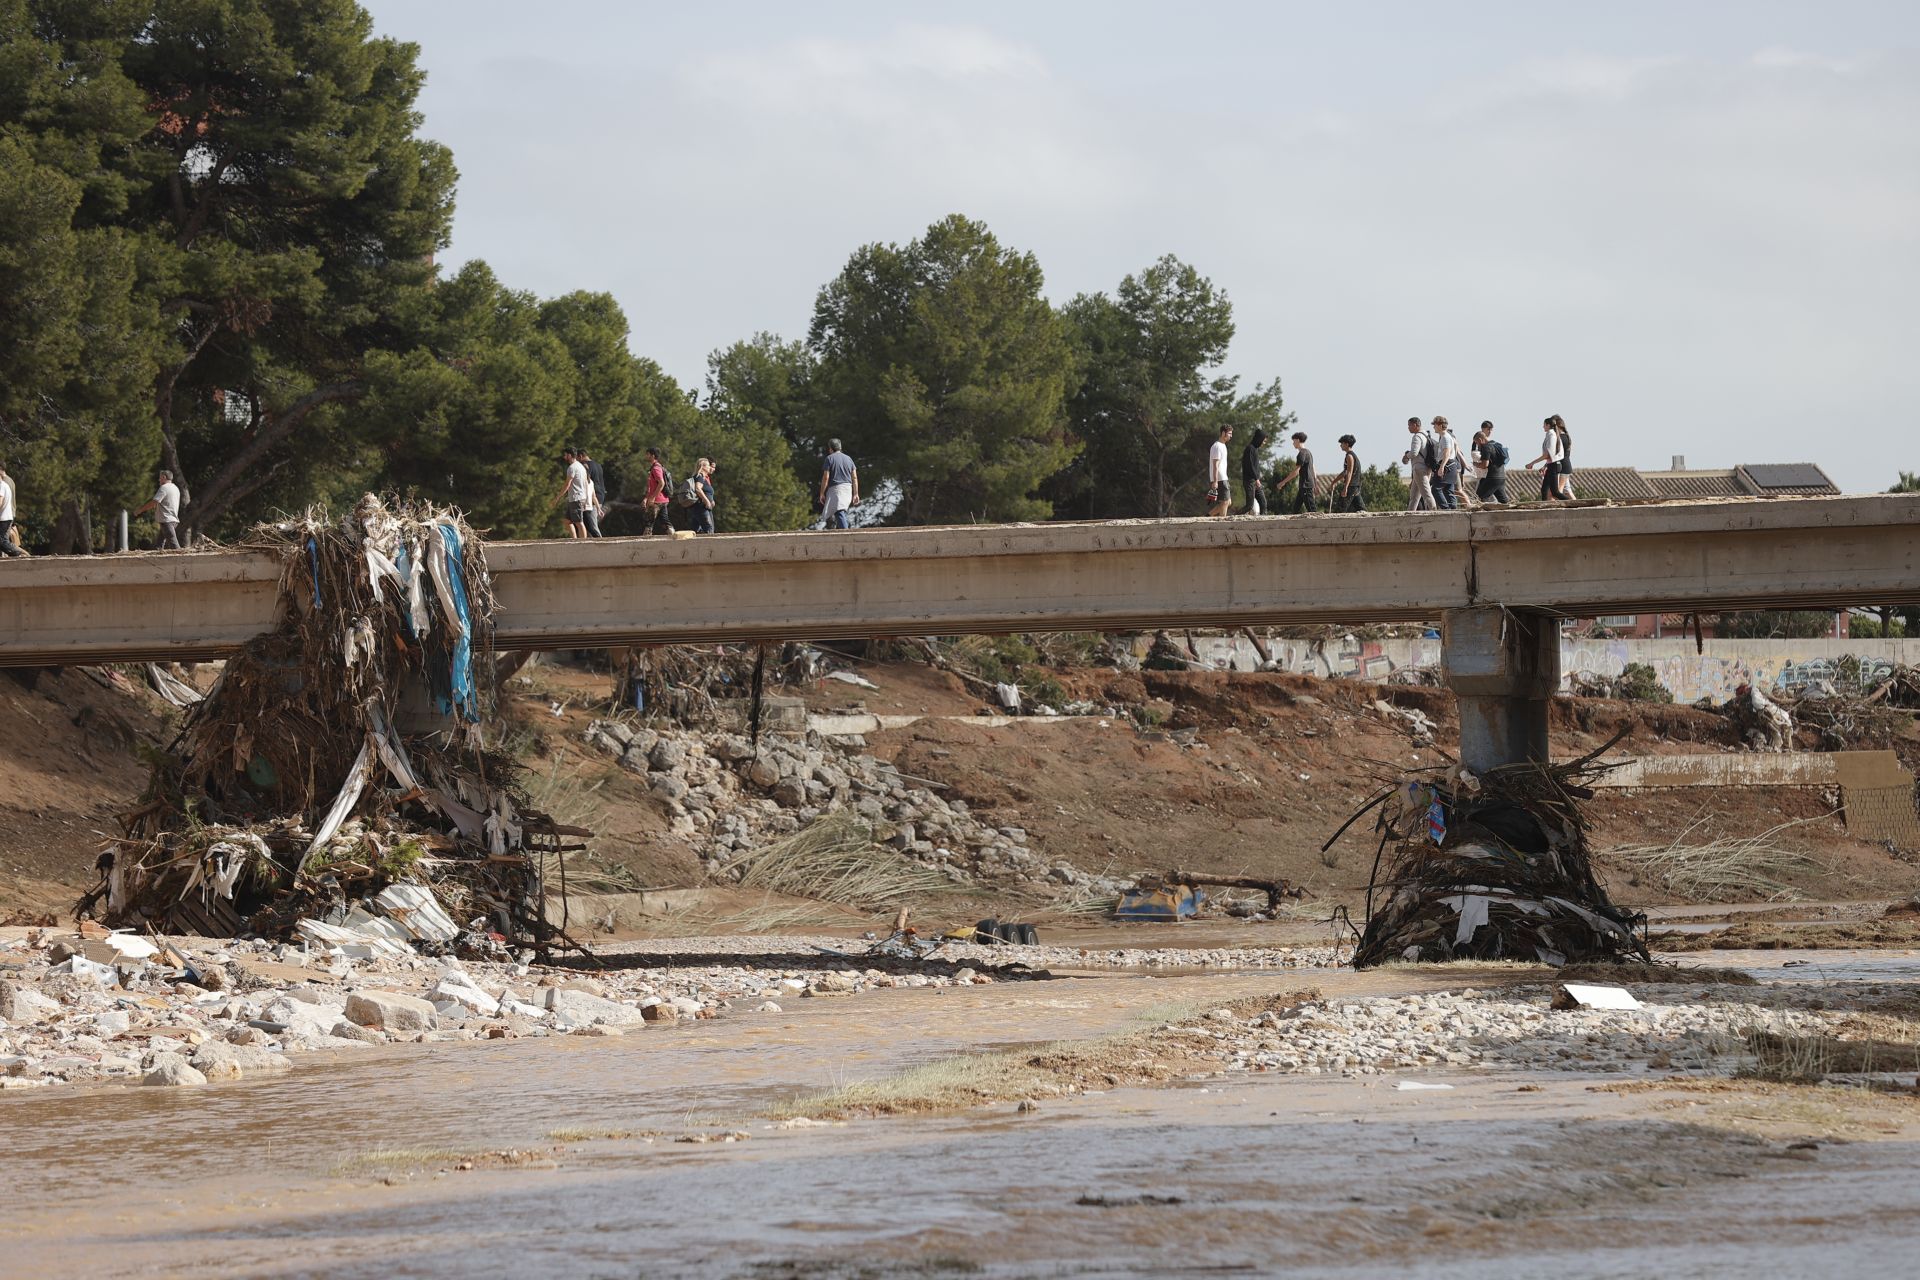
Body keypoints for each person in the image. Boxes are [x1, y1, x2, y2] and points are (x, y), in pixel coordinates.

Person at [133, 469, 185, 548]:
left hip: (166, 520)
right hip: (172, 520)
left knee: (174, 546)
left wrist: (140, 510)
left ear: (164, 477)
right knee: (159, 545)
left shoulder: (164, 488)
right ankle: (157, 559)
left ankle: (183, 560)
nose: (159, 480)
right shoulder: (175, 488)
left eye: (160, 478)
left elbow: (154, 502)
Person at [549, 447, 593, 538]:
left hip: (576, 498)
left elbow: (567, 484)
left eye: (565, 455)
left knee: (579, 522)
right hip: (577, 498)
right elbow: (585, 483)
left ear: (569, 455)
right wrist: (586, 498)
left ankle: (583, 543)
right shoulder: (581, 466)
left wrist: (557, 498)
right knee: (567, 521)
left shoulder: (572, 468)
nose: (564, 457)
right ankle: (574, 541)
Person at [1272, 431, 1318, 514]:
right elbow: (1314, 468)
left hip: (1306, 486)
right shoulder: (1308, 452)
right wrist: (1315, 484)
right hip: (1303, 486)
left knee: (1312, 510)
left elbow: (1296, 471)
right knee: (1295, 510)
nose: (1293, 443)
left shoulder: (1302, 453)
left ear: (1298, 440)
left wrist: (1283, 482)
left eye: (1293, 441)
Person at [818, 439, 859, 529]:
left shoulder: (829, 458)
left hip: (836, 489)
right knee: (840, 511)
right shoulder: (849, 459)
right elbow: (854, 477)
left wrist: (822, 493)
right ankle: (840, 532)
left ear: (830, 448)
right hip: (848, 488)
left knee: (839, 511)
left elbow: (826, 477)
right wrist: (855, 493)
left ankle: (846, 533)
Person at [1526, 416, 1566, 501]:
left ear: (1548, 425)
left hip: (1554, 466)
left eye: (1544, 425)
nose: (1543, 427)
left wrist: (1532, 463)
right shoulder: (1550, 435)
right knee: (1544, 489)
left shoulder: (1552, 436)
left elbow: (1547, 455)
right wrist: (1545, 466)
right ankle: (1544, 506)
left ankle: (1572, 504)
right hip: (1552, 465)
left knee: (1555, 492)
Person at [1402, 418, 1437, 511]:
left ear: (1415, 425)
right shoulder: (1426, 435)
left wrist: (1406, 456)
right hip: (1426, 467)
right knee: (1414, 496)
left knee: (1426, 493)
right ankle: (1410, 514)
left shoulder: (1417, 436)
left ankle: (1434, 511)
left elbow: (1414, 453)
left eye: (1409, 425)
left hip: (1419, 468)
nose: (1408, 428)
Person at [1473, 421, 1510, 505]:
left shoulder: (1486, 447)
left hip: (1492, 477)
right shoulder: (1498, 445)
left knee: (1479, 497)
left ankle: (1484, 516)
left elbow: (1484, 465)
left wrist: (1476, 464)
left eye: (1477, 443)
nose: (1478, 445)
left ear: (1480, 439)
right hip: (1501, 477)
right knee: (1504, 501)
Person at [576, 447, 608, 537]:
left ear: (581, 456)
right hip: (601, 494)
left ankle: (601, 543)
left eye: (577, 459)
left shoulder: (585, 465)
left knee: (592, 524)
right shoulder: (598, 465)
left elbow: (586, 481)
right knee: (589, 523)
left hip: (593, 496)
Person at [1430, 417, 1459, 509]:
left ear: (1439, 425)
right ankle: (1453, 510)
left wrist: (1442, 467)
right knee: (1448, 490)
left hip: (1447, 466)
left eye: (1434, 424)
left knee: (1435, 489)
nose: (1433, 427)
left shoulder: (1445, 438)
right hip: (1451, 466)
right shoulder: (1446, 437)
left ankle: (1446, 509)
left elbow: (1447, 453)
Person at [642, 447, 672, 535]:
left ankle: (645, 541)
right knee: (665, 521)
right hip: (663, 499)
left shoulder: (655, 468)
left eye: (647, 454)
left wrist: (652, 498)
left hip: (657, 500)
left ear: (653, 456)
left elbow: (661, 483)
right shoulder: (656, 467)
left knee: (649, 522)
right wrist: (646, 498)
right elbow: (651, 486)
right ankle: (673, 536)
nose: (646, 456)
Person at [0, 461, 26, 558]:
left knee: (4, 541)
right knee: (5, 540)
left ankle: (21, 554)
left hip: (5, 515)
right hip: (9, 513)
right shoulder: (10, 480)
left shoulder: (4, 482)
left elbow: (2, 501)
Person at [1239, 428, 1267, 515]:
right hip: (1250, 482)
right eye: (1263, 441)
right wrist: (1256, 479)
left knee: (1263, 503)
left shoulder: (1255, 449)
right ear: (1259, 439)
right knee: (1249, 506)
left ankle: (1263, 521)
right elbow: (1250, 466)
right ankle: (1234, 517)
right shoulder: (1250, 449)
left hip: (1255, 481)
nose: (1264, 443)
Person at [1207, 425, 1233, 516]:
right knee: (1225, 502)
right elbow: (1215, 465)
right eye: (1229, 433)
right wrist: (1215, 481)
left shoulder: (1223, 446)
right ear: (1223, 433)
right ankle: (1222, 522)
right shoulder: (1217, 446)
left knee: (1228, 502)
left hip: (1223, 477)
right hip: (1220, 478)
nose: (1231, 436)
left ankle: (1208, 516)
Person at [1333, 435, 1363, 512]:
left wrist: (1345, 488)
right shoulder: (1350, 455)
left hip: (1351, 486)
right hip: (1355, 485)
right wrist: (1334, 481)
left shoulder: (1349, 456)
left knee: (1340, 509)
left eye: (1342, 443)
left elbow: (1349, 472)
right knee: (1360, 508)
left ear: (1346, 444)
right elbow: (1345, 472)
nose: (1340, 445)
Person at [1552, 415, 1576, 499]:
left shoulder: (1560, 438)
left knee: (1559, 491)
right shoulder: (1566, 437)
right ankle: (1578, 507)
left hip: (1563, 467)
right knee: (1568, 491)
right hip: (1566, 465)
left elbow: (1556, 454)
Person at [693, 457, 716, 534]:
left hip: (703, 507)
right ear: (703, 467)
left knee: (696, 530)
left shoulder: (704, 478)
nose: (710, 467)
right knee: (709, 529)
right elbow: (698, 489)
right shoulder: (700, 477)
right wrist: (707, 501)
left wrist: (711, 501)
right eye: (708, 465)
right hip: (701, 507)